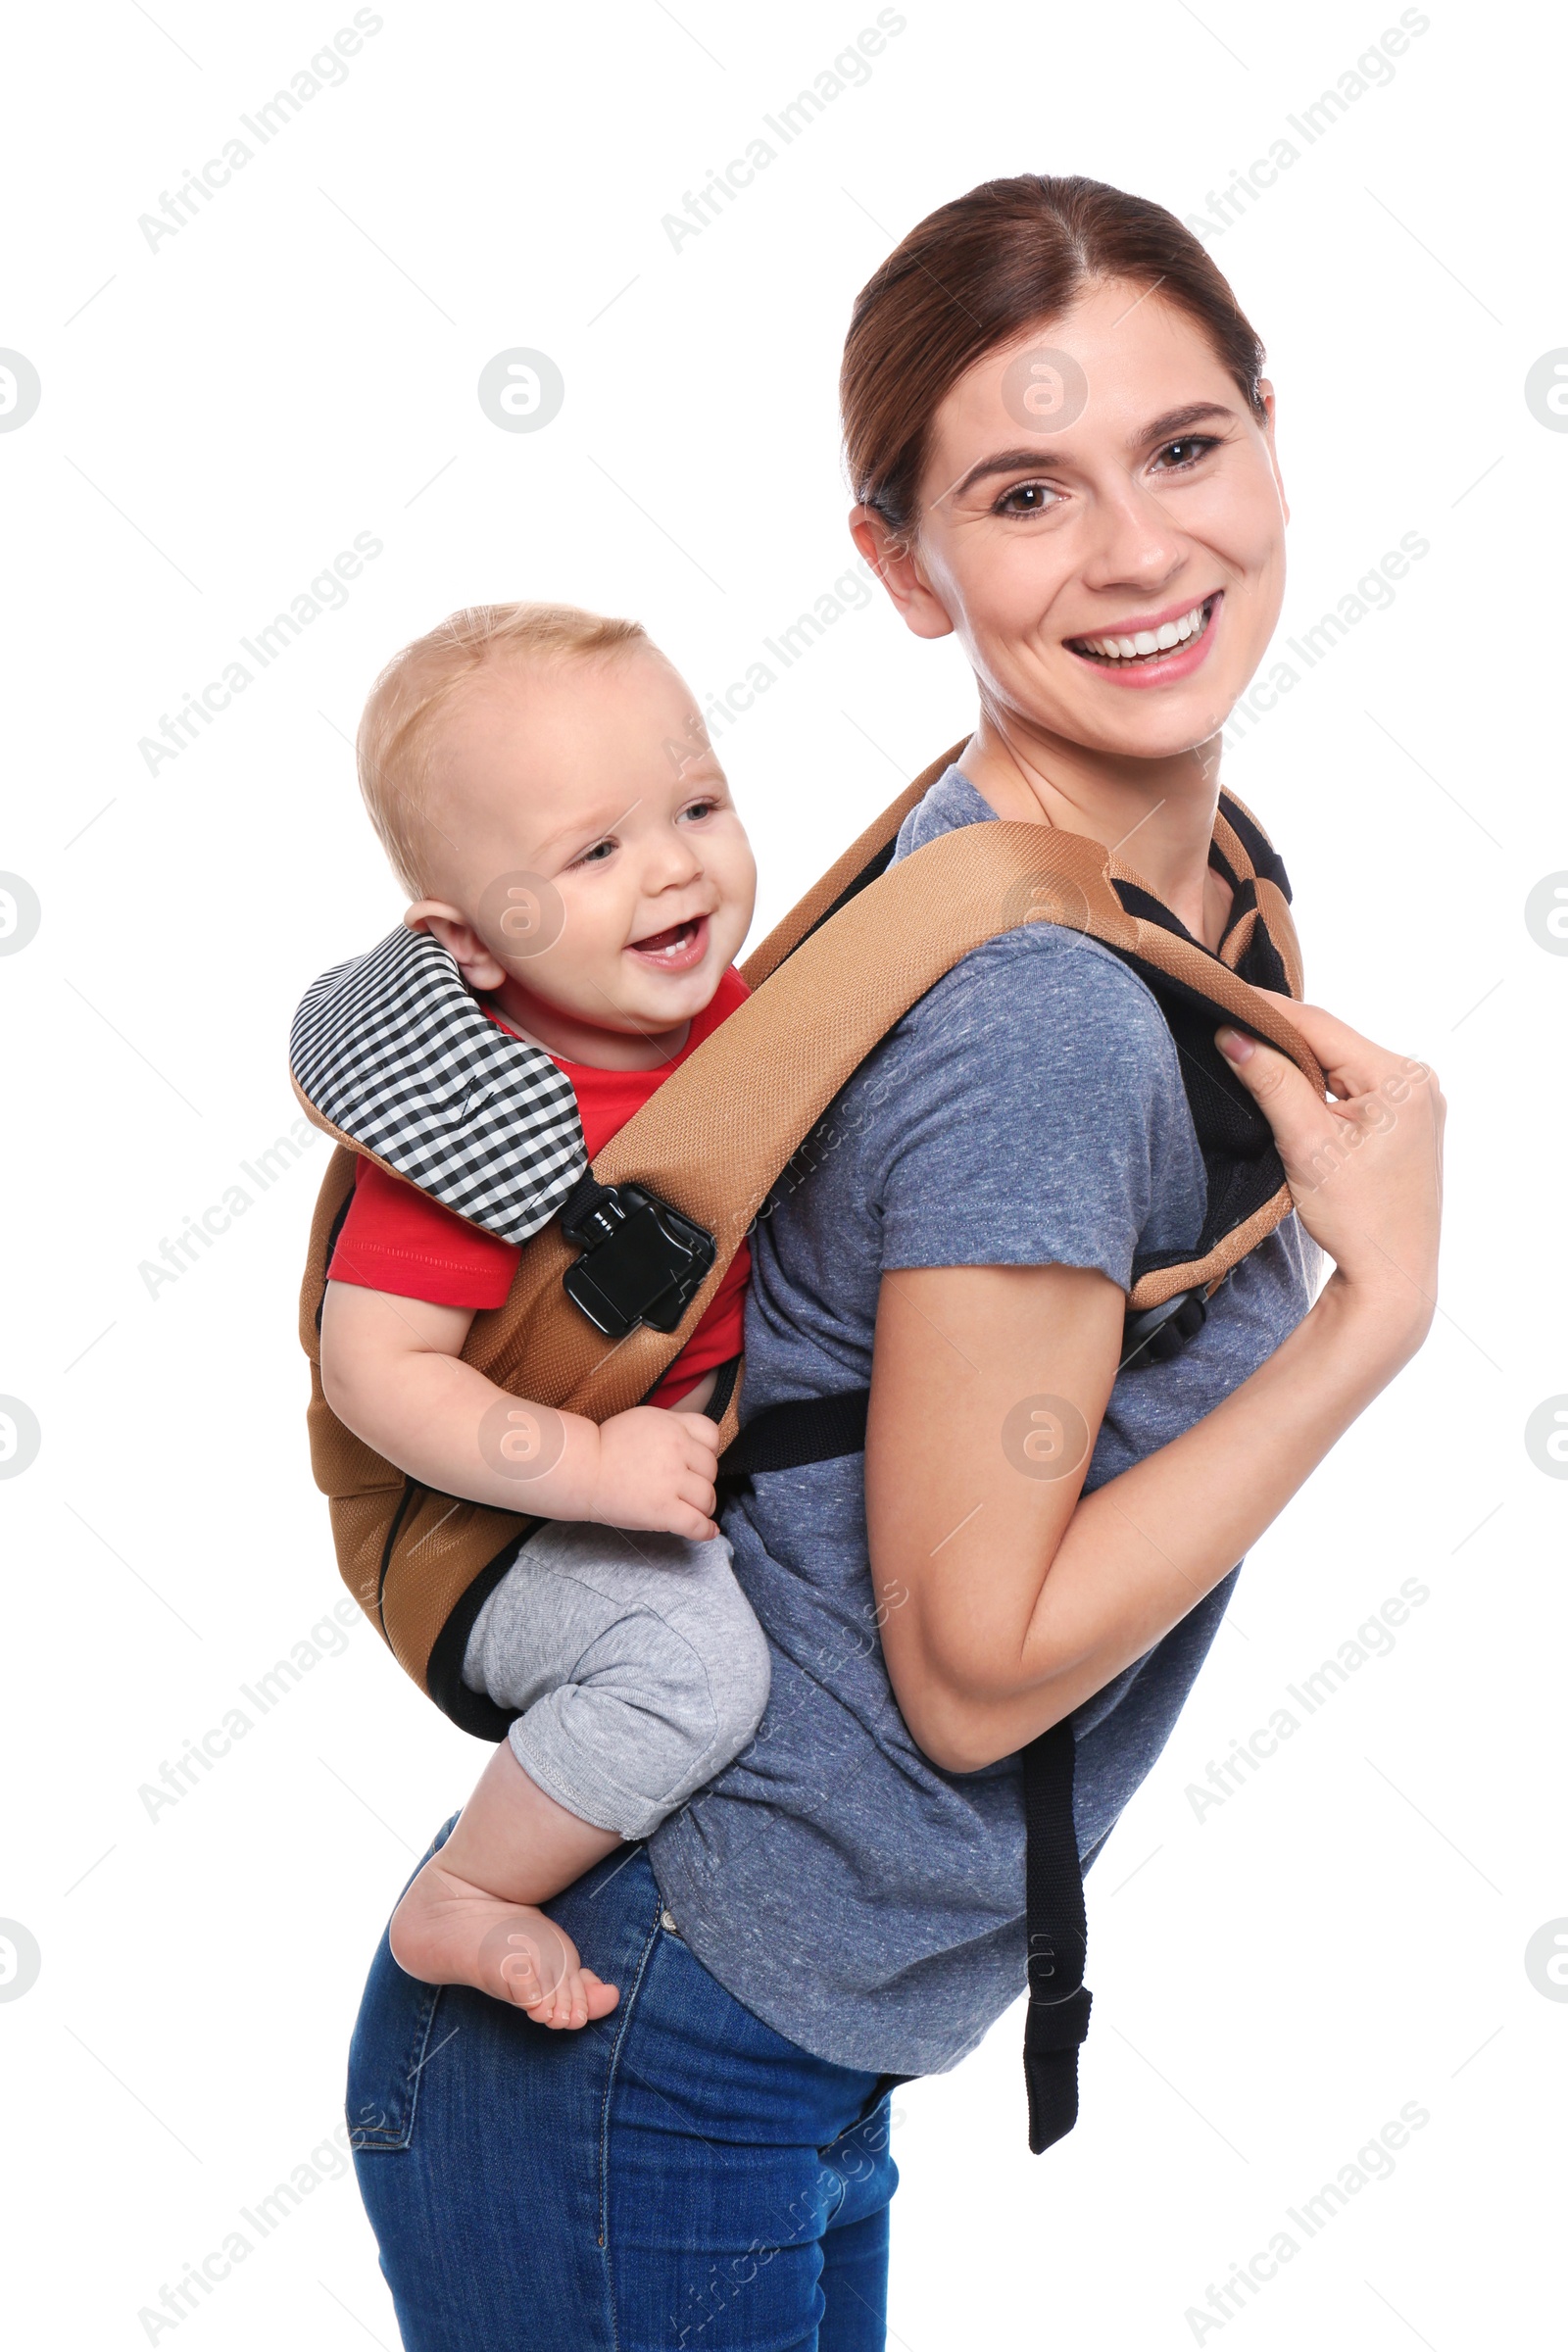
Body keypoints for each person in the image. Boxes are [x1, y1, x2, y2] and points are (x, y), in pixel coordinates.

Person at [344, 174, 1444, 2352]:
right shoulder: (1031, 1006)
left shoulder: (1180, 876)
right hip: (653, 2032)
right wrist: (1373, 1325)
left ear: (1267, 436)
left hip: (754, 2025)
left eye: (1183, 446)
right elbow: (971, 1660)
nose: (1136, 552)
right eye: (1024, 494)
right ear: (901, 566)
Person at [318, 602, 770, 2029]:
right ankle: (467, 1892)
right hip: (488, 1538)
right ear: (471, 946)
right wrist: (585, 1470)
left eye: (697, 803)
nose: (675, 866)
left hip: (667, 1461)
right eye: (595, 851)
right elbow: (371, 1372)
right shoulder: (479, 1123)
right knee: (692, 1667)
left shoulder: (730, 1012)